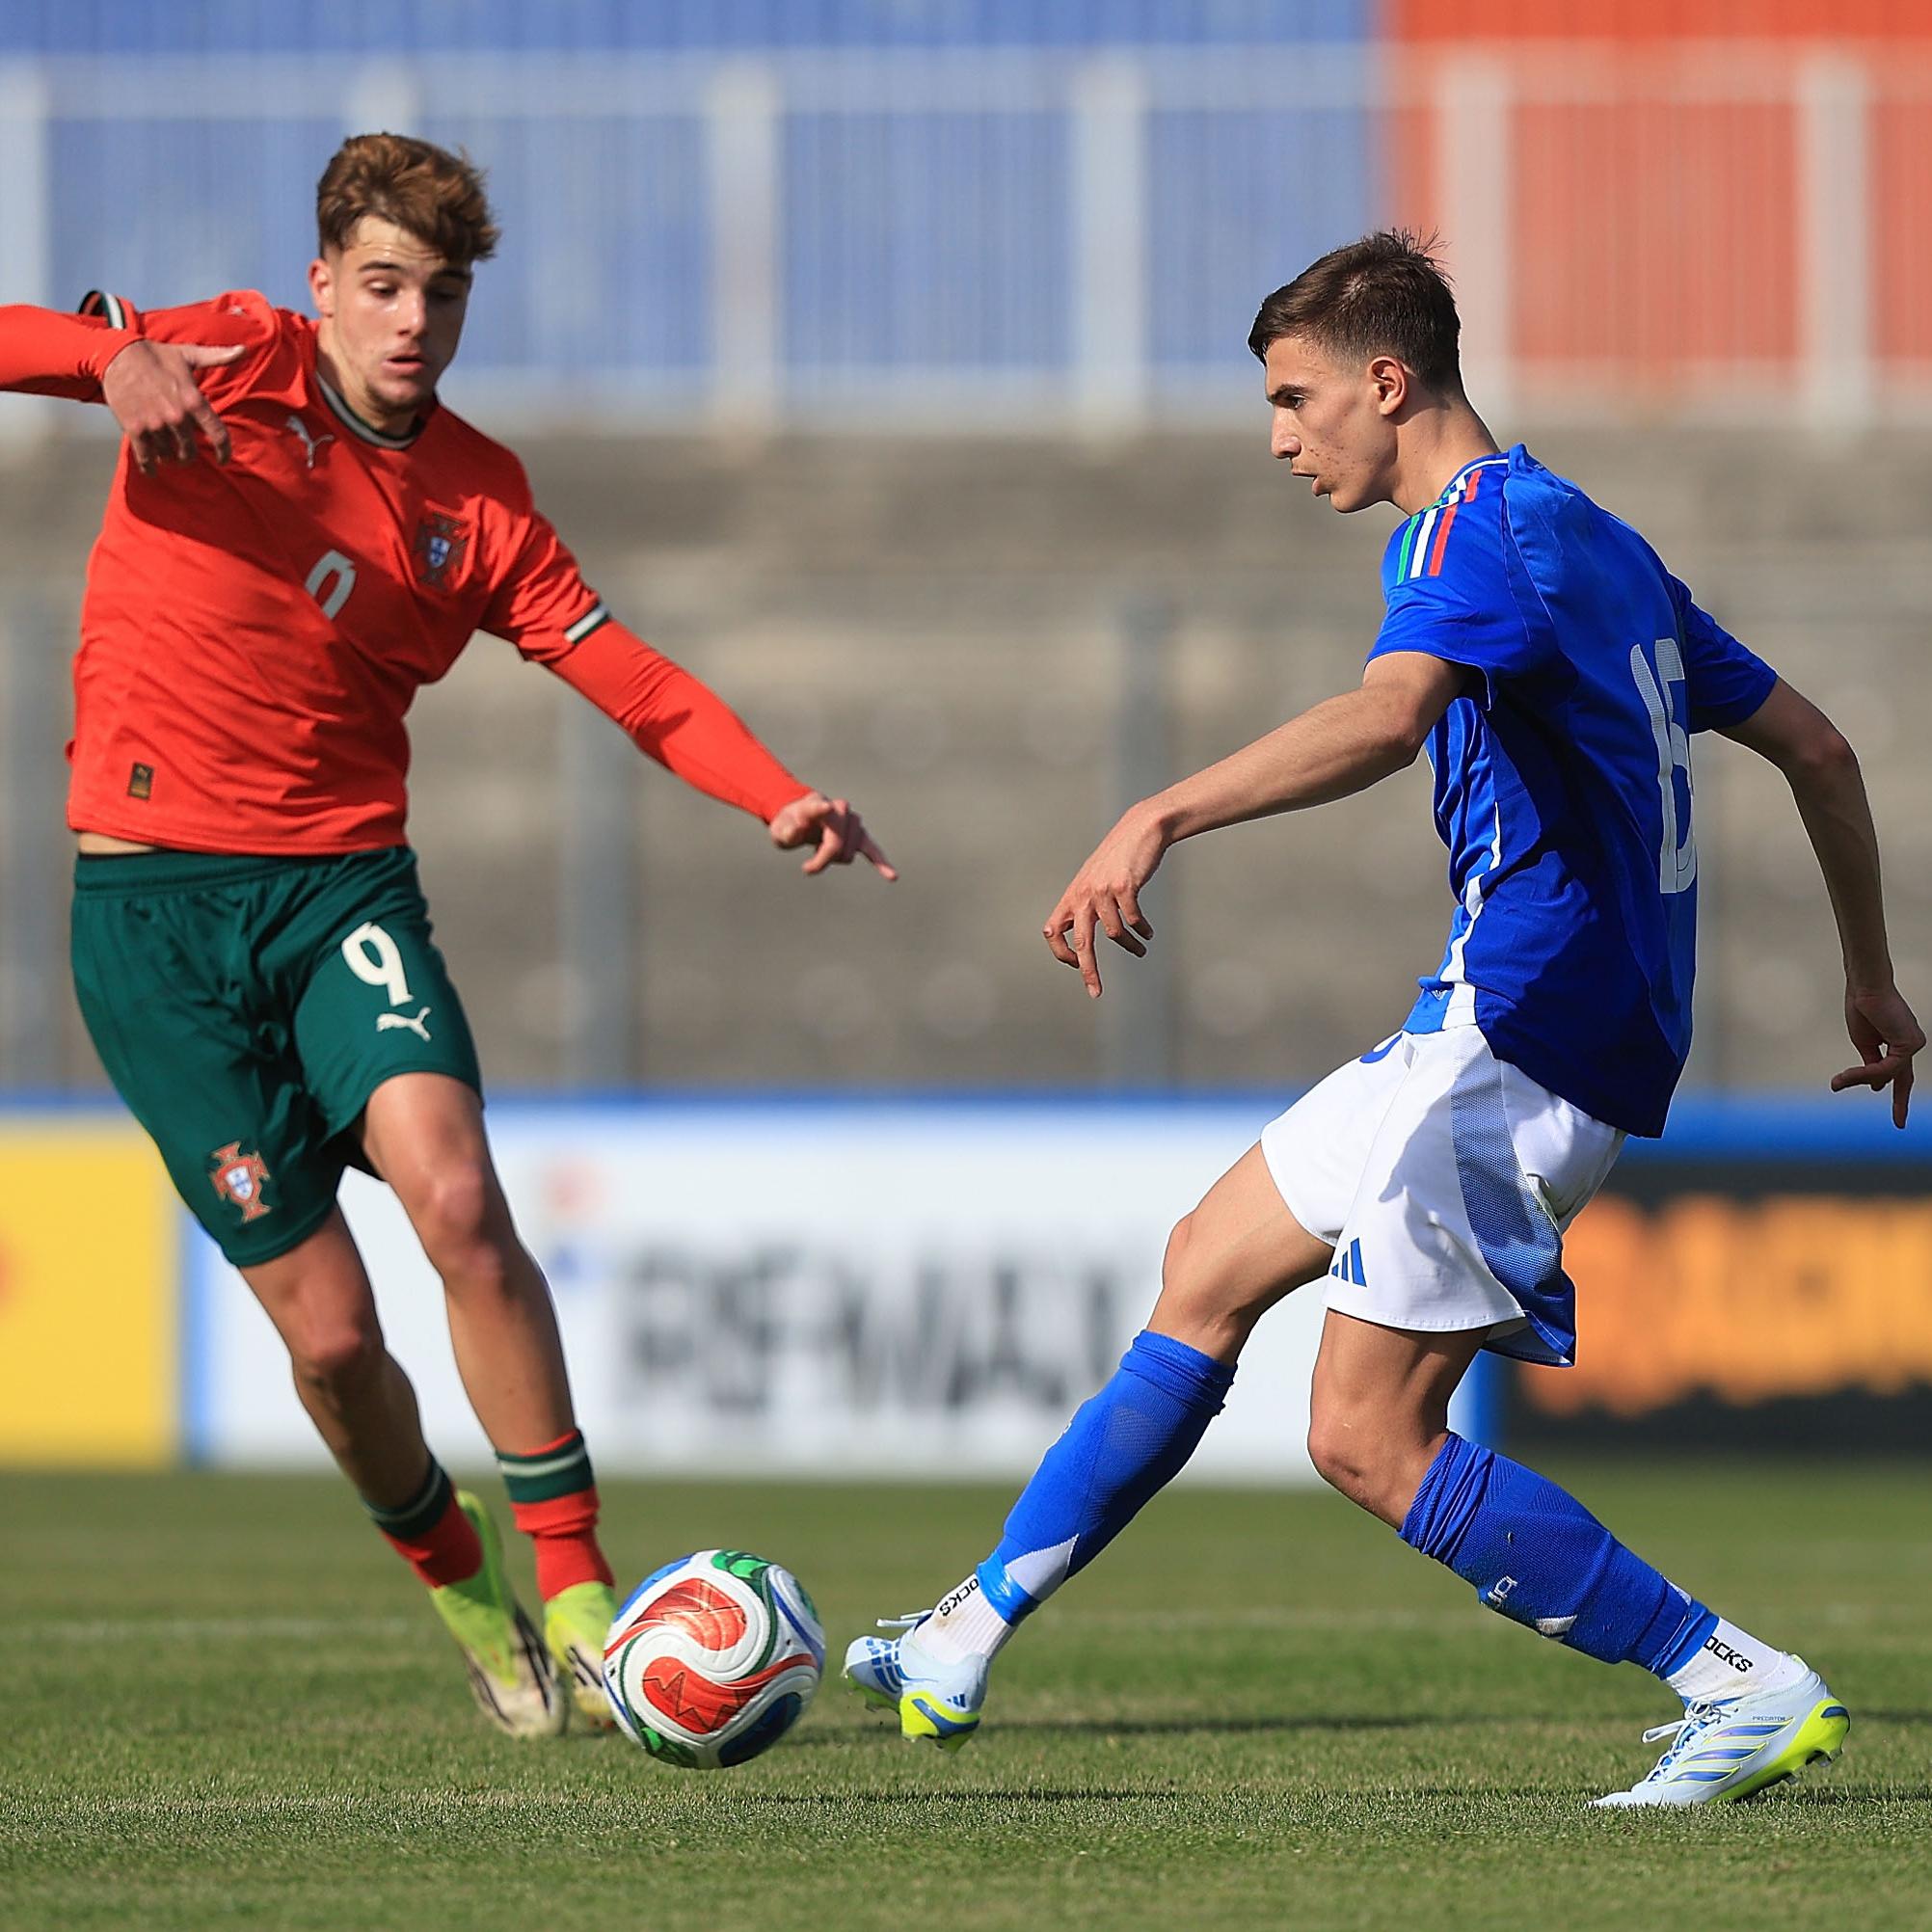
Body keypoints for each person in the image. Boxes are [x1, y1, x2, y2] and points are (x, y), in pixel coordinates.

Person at [845, 230, 1919, 1806]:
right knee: (1207, 1266)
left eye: (1295, 400)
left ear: (1388, 382)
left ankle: (1735, 1681)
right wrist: (1872, 977)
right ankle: (965, 1631)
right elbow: (1819, 749)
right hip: (1507, 1018)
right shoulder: (1597, 538)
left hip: (1523, 1035)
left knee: (1364, 1438)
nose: (1282, 438)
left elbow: (1386, 715)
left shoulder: (1463, 532)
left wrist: (1157, 811)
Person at [1, 132, 893, 1738]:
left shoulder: (479, 499)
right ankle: (458, 1573)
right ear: (324, 283)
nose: (413, 321)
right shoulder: (233, 357)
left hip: (339, 892)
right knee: (333, 1341)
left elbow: (632, 677)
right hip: (149, 923)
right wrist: (107, 356)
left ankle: (581, 1594)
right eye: (385, 285)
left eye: (445, 294)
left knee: (463, 1205)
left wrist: (774, 792)